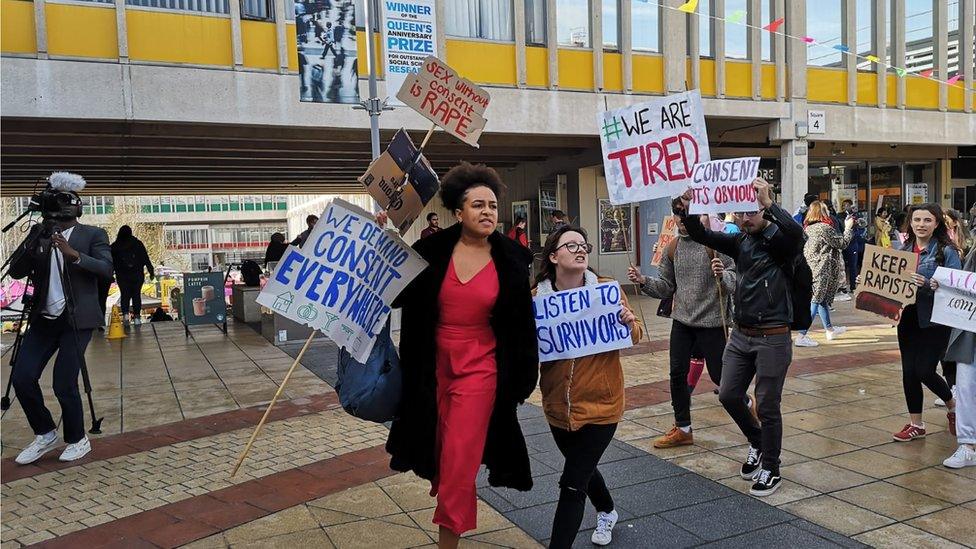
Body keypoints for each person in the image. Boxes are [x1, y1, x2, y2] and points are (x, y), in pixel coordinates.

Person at [385, 162, 539, 549]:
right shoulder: (431, 252)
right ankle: (449, 496)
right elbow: (396, 295)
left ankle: (447, 541)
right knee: (439, 449)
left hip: (481, 370)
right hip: (431, 368)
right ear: (458, 212)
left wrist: (522, 378)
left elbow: (523, 327)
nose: (487, 212)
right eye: (477, 205)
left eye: (491, 205)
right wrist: (385, 240)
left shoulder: (511, 260)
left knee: (458, 460)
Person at [679, 178, 804, 497]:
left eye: (752, 212)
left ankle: (772, 468)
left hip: (773, 336)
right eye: (741, 213)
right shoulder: (739, 242)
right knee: (728, 394)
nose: (746, 219)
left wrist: (771, 203)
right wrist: (693, 206)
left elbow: (796, 236)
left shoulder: (780, 242)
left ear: (762, 210)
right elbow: (700, 234)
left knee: (768, 404)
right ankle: (759, 443)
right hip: (741, 334)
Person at [536, 225, 642, 548]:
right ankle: (607, 509)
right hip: (558, 408)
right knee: (583, 468)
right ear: (553, 256)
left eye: (584, 245)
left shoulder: (607, 291)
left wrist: (629, 321)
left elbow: (634, 335)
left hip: (602, 407)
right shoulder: (537, 301)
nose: (580, 250)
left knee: (571, 483)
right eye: (571, 245)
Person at [9, 172, 113, 465]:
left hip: (77, 319)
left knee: (63, 382)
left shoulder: (93, 234)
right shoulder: (38, 235)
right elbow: (16, 271)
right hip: (44, 318)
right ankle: (45, 433)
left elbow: (106, 269)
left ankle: (78, 439)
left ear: (74, 206)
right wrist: (35, 239)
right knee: (22, 376)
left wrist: (74, 254)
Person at [628, 197, 736, 448]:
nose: (682, 218)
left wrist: (724, 275)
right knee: (677, 375)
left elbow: (736, 280)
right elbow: (666, 287)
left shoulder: (716, 245)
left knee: (723, 378)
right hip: (682, 322)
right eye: (678, 214)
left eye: (688, 213)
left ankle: (746, 409)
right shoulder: (673, 247)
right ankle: (683, 428)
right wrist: (643, 280)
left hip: (712, 322)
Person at [891, 203, 960, 442]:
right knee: (909, 373)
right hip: (907, 319)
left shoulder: (946, 251)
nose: (921, 224)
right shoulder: (904, 249)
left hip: (935, 320)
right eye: (917, 220)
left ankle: (952, 405)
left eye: (927, 220)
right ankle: (916, 424)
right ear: (910, 223)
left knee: (924, 370)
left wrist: (929, 284)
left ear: (937, 223)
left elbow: (956, 287)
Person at [934, 246, 976, 468]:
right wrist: (943, 287)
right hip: (972, 328)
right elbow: (963, 282)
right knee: (966, 385)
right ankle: (968, 446)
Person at [794, 201, 854, 347]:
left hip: (811, 268)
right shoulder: (824, 228)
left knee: (821, 300)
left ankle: (830, 329)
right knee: (815, 301)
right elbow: (842, 243)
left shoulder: (808, 228)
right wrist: (848, 228)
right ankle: (801, 335)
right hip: (821, 269)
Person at [110, 225, 154, 325]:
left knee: (124, 295)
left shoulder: (115, 246)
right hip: (137, 275)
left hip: (122, 275)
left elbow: (110, 262)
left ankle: (125, 317)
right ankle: (137, 318)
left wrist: (110, 275)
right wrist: (151, 271)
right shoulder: (137, 244)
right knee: (136, 295)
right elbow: (145, 258)